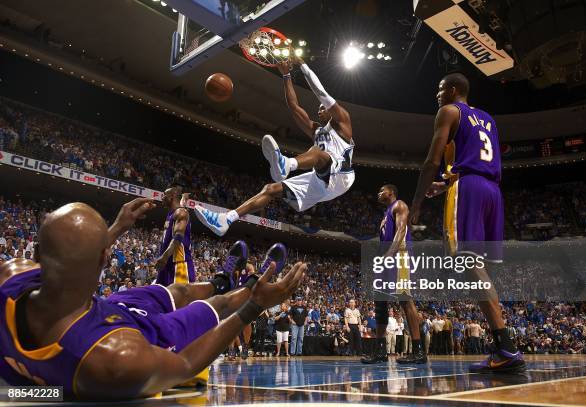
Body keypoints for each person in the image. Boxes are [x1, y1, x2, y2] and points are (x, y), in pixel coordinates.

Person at [0, 198, 305, 399]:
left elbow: (70, 256)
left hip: (104, 310)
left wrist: (118, 226)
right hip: (139, 334)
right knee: (217, 306)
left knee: (177, 292)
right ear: (105, 260)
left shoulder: (11, 276)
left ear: (37, 256)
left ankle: (221, 278)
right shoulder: (114, 358)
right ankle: (254, 283)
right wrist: (255, 307)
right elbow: (184, 364)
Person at [409, 72, 525, 373]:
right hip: (492, 191)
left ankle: (505, 345)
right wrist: (448, 184)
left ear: (453, 90)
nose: (437, 95)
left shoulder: (448, 110)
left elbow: (432, 161)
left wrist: (418, 203)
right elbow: (477, 158)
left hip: (470, 189)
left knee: (468, 263)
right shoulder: (487, 118)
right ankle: (503, 343)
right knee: (474, 266)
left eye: (440, 89)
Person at [194, 56, 355, 237]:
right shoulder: (315, 130)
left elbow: (321, 93)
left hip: (342, 175)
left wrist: (302, 65)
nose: (320, 110)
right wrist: (286, 75)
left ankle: (287, 164)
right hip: (321, 181)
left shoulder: (342, 121)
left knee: (318, 152)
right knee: (270, 189)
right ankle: (226, 219)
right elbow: (293, 106)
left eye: (322, 108)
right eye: (318, 109)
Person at [362, 185, 426, 364]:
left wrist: (389, 255)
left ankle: (419, 351)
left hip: (400, 257)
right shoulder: (385, 214)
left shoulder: (399, 205)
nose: (378, 192)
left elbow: (401, 232)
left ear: (391, 192)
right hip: (386, 258)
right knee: (380, 302)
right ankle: (381, 351)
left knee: (405, 300)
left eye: (381, 190)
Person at [153, 185, 195, 285]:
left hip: (179, 263)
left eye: (164, 195)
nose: (162, 197)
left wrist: (164, 256)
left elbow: (178, 237)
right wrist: (184, 197)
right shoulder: (172, 213)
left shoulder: (181, 212)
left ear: (172, 197)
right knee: (164, 297)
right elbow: (181, 203)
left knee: (181, 298)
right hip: (167, 263)